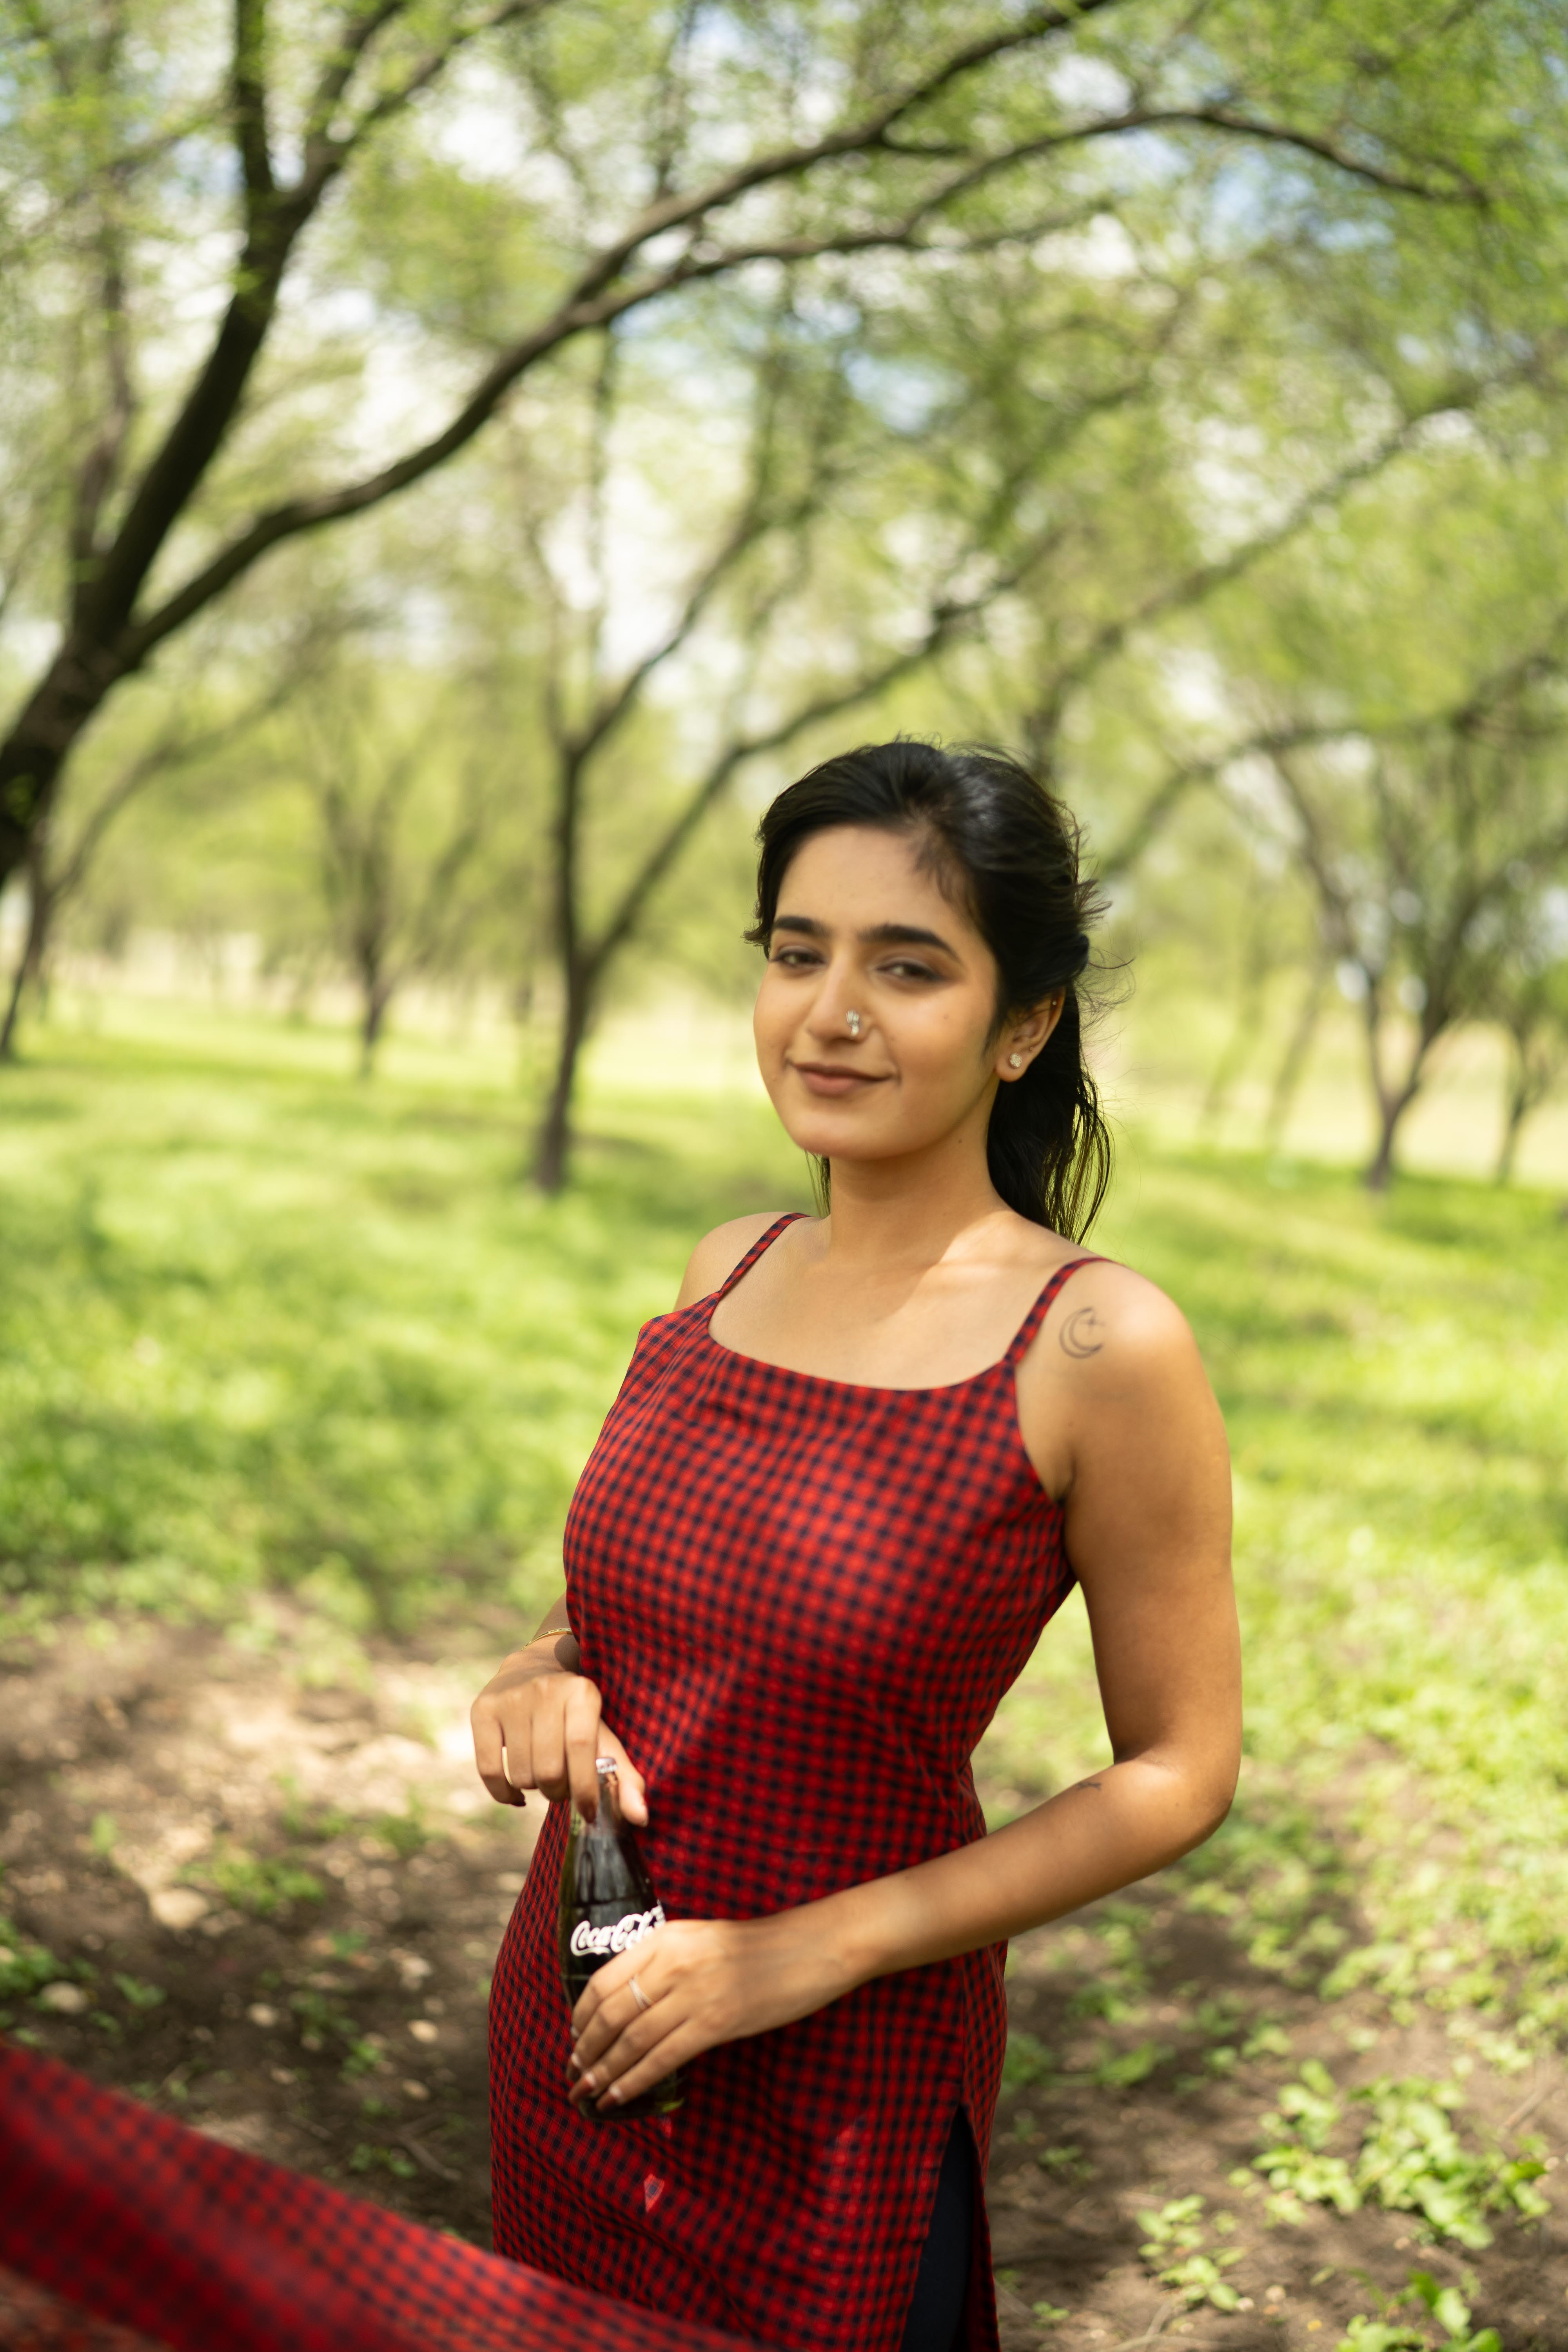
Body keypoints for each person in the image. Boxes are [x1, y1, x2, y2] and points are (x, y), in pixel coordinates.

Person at [472, 740, 1240, 2352]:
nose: (833, 1010)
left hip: (842, 2095)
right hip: (581, 2025)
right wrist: (536, 1681)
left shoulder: (1096, 1341)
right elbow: (628, 1620)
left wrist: (797, 1960)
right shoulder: (722, 1266)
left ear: (1022, 1023)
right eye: (796, 953)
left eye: (908, 966)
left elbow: (1180, 1769)